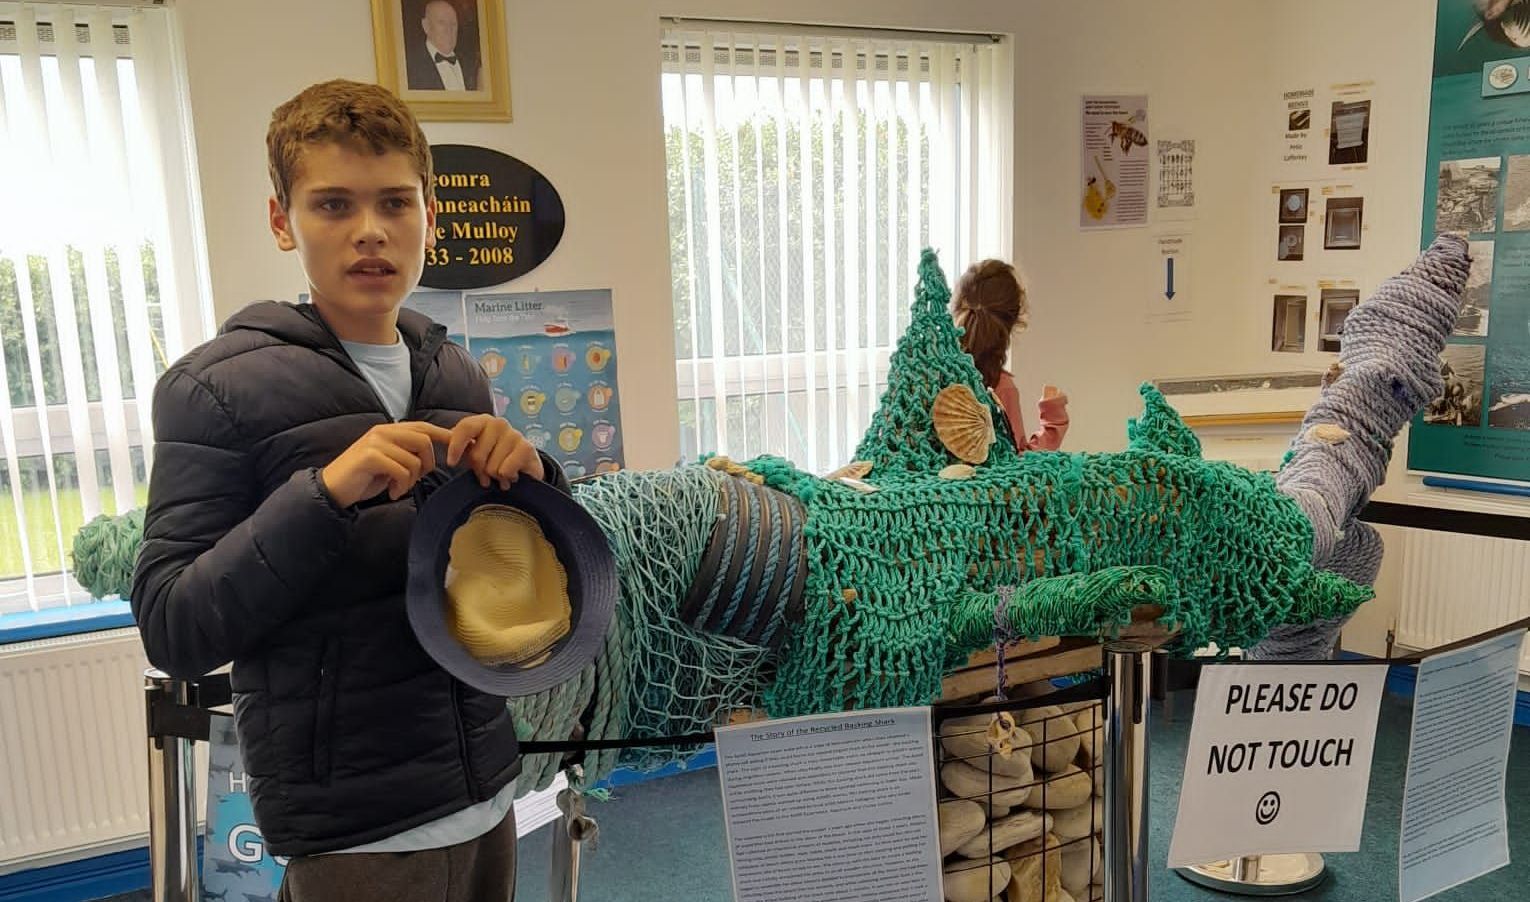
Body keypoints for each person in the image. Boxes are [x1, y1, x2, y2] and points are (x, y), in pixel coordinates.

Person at [131, 80, 559, 900]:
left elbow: (505, 566)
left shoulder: (458, 372)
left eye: (396, 202)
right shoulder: (214, 389)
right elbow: (172, 626)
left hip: (489, 796)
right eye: (332, 205)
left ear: (430, 214)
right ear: (281, 220)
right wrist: (321, 496)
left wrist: (534, 475)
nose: (371, 232)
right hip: (352, 835)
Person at [951, 258, 1069, 451]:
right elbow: (1015, 466)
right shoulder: (1000, 387)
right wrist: (1054, 425)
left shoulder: (932, 376)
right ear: (1015, 320)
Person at [405, 0, 480, 92]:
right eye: (442, 23)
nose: (449, 29)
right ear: (426, 26)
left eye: (453, 24)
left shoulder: (472, 65)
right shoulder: (410, 66)